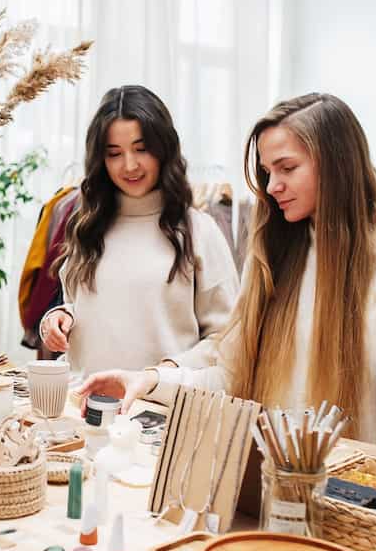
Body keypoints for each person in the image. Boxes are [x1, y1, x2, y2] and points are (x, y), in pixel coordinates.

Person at [79, 93, 376, 476]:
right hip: (270, 494)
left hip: (363, 508)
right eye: (267, 172)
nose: (272, 186)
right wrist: (148, 380)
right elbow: (230, 378)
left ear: (338, 165)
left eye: (287, 168)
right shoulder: (270, 264)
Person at [40, 85, 239, 376]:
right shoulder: (87, 225)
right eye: (114, 153)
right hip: (82, 408)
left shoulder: (199, 231)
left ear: (163, 149)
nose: (129, 165)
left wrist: (168, 371)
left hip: (158, 410)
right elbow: (82, 306)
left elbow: (228, 337)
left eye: (141, 149)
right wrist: (59, 318)